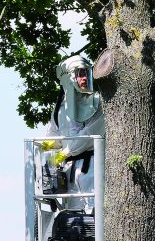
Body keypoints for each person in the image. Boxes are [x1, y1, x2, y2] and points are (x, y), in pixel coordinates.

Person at [41, 55, 104, 212]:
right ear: (68, 78)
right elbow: (55, 134)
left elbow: (90, 134)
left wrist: (67, 151)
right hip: (69, 172)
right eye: (79, 74)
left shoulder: (97, 103)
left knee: (94, 212)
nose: (84, 78)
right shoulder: (60, 109)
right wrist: (49, 144)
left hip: (91, 168)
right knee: (73, 217)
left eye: (86, 73)